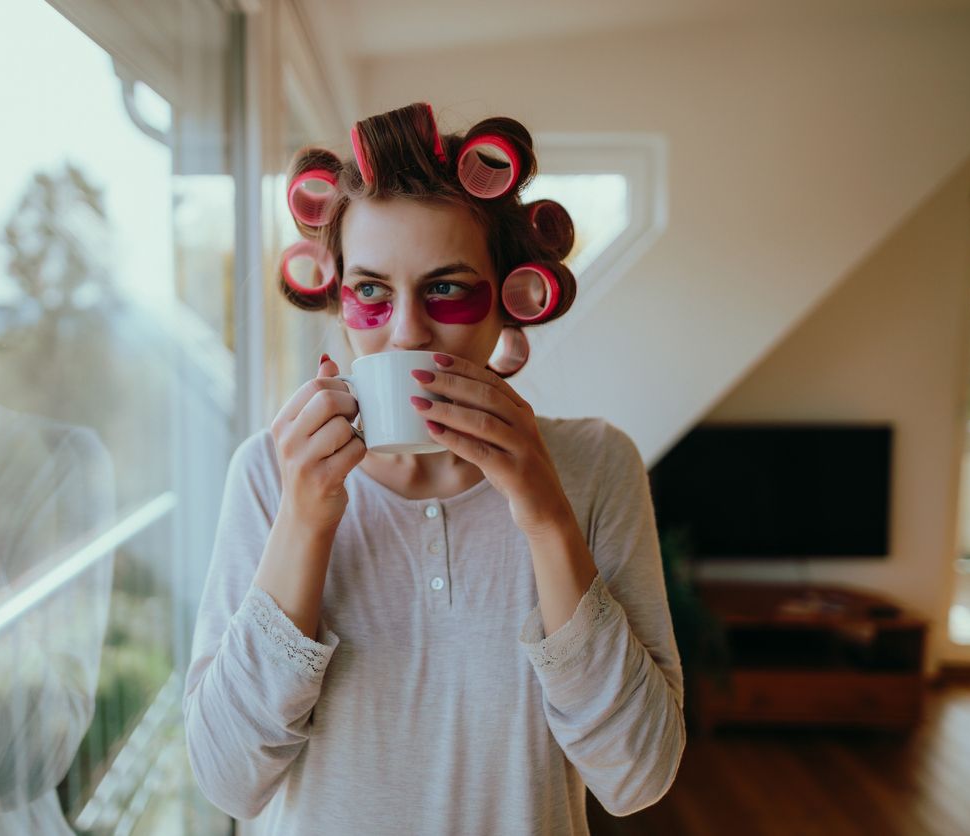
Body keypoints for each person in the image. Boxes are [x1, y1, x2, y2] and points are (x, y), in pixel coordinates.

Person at [183, 102, 685, 835]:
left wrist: (546, 518)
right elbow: (228, 780)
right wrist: (303, 521)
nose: (408, 330)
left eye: (446, 288)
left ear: (509, 303)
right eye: (372, 293)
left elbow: (637, 776)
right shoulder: (269, 472)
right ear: (340, 299)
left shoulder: (595, 466)